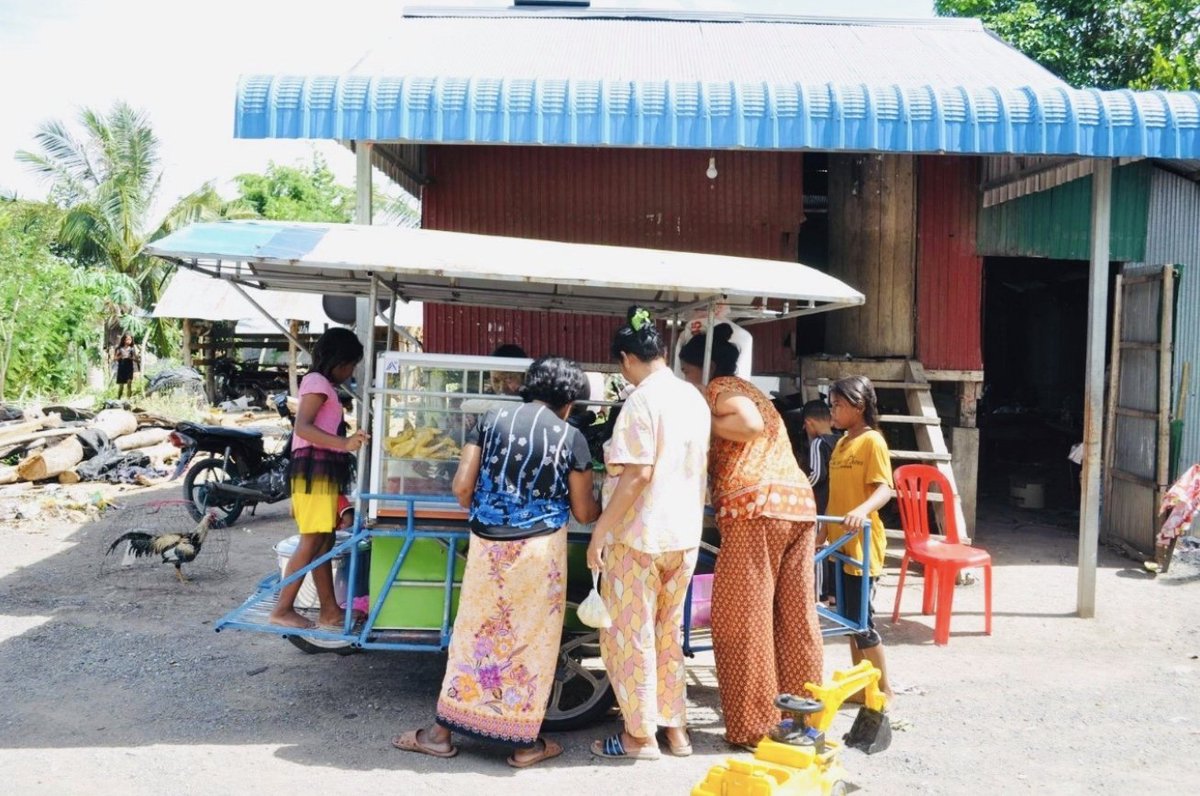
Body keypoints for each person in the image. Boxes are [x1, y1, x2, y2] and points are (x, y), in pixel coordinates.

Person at [393, 357, 600, 768]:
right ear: (569, 401)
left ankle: (440, 734)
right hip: (540, 554)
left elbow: (462, 486)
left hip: (489, 551)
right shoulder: (570, 436)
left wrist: (491, 513)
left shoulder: (490, 418)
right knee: (532, 644)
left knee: (474, 635)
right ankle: (524, 745)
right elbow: (583, 511)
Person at [677, 325, 822, 750]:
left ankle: (755, 727)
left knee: (743, 618)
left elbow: (748, 424)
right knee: (796, 618)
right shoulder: (754, 389)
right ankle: (803, 718)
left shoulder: (719, 388)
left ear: (699, 367)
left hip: (754, 507)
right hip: (796, 503)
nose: (687, 380)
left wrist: (700, 417)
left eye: (686, 372)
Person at [586, 306, 711, 761]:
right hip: (682, 536)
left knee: (629, 636)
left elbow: (638, 473)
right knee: (667, 635)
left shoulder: (641, 400)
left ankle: (640, 737)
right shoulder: (693, 397)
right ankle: (675, 731)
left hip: (638, 537)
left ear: (626, 358)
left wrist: (601, 530)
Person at [269, 328, 368, 631]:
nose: (351, 372)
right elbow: (303, 427)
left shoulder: (322, 384)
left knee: (324, 539)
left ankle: (329, 611)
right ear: (339, 361)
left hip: (323, 471)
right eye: (351, 365)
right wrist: (344, 443)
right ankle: (282, 609)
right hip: (313, 471)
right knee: (312, 539)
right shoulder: (316, 382)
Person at [824, 375, 895, 700]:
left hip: (862, 547)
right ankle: (860, 685)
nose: (832, 411)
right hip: (838, 545)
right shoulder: (840, 443)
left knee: (862, 624)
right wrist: (821, 533)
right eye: (830, 405)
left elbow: (884, 488)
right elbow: (834, 494)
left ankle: (885, 690)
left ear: (859, 405)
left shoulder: (872, 441)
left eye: (838, 405)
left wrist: (862, 511)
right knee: (847, 622)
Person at [801, 399, 840, 605]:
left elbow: (817, 474)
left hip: (821, 505)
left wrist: (798, 488)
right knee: (835, 549)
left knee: (819, 547)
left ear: (809, 422)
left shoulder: (819, 443)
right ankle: (834, 594)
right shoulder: (840, 441)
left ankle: (820, 594)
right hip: (839, 505)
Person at [112, 333, 140, 400]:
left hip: (129, 368)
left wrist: (131, 358)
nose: (129, 341)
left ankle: (128, 400)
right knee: (121, 386)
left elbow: (137, 360)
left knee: (129, 384)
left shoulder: (132, 349)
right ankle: (118, 399)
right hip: (121, 368)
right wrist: (120, 356)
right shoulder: (119, 349)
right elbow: (114, 358)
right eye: (128, 339)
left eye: (130, 339)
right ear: (124, 340)